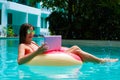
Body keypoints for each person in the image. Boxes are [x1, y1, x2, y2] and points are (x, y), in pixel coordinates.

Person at [17, 23, 118, 65]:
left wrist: (46, 48)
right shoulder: (23, 45)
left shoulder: (34, 42)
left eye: (33, 32)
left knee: (75, 48)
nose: (32, 34)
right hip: (42, 60)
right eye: (29, 32)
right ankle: (101, 61)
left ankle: (99, 61)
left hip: (48, 55)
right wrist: (38, 52)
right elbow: (20, 61)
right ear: (23, 33)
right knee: (76, 50)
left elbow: (40, 52)